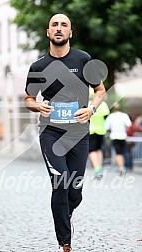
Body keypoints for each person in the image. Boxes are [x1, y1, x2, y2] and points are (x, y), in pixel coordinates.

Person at [24, 14, 106, 251]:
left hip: (79, 134)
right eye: (54, 25)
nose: (59, 29)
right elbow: (29, 98)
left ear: (70, 33)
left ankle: (63, 213)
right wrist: (38, 105)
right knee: (60, 182)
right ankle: (65, 242)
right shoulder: (38, 66)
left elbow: (100, 90)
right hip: (51, 133)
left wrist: (91, 109)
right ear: (48, 32)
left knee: (75, 192)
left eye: (64, 25)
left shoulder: (83, 60)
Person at [105, 103, 132, 175]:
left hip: (115, 136)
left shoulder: (110, 116)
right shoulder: (124, 115)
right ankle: (124, 166)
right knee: (124, 152)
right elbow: (129, 124)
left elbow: (106, 127)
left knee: (118, 153)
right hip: (123, 136)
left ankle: (121, 168)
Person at [88, 90, 110, 179]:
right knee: (99, 149)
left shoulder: (88, 104)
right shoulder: (103, 104)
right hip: (101, 130)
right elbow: (106, 117)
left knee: (91, 150)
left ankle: (97, 170)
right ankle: (99, 169)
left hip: (91, 130)